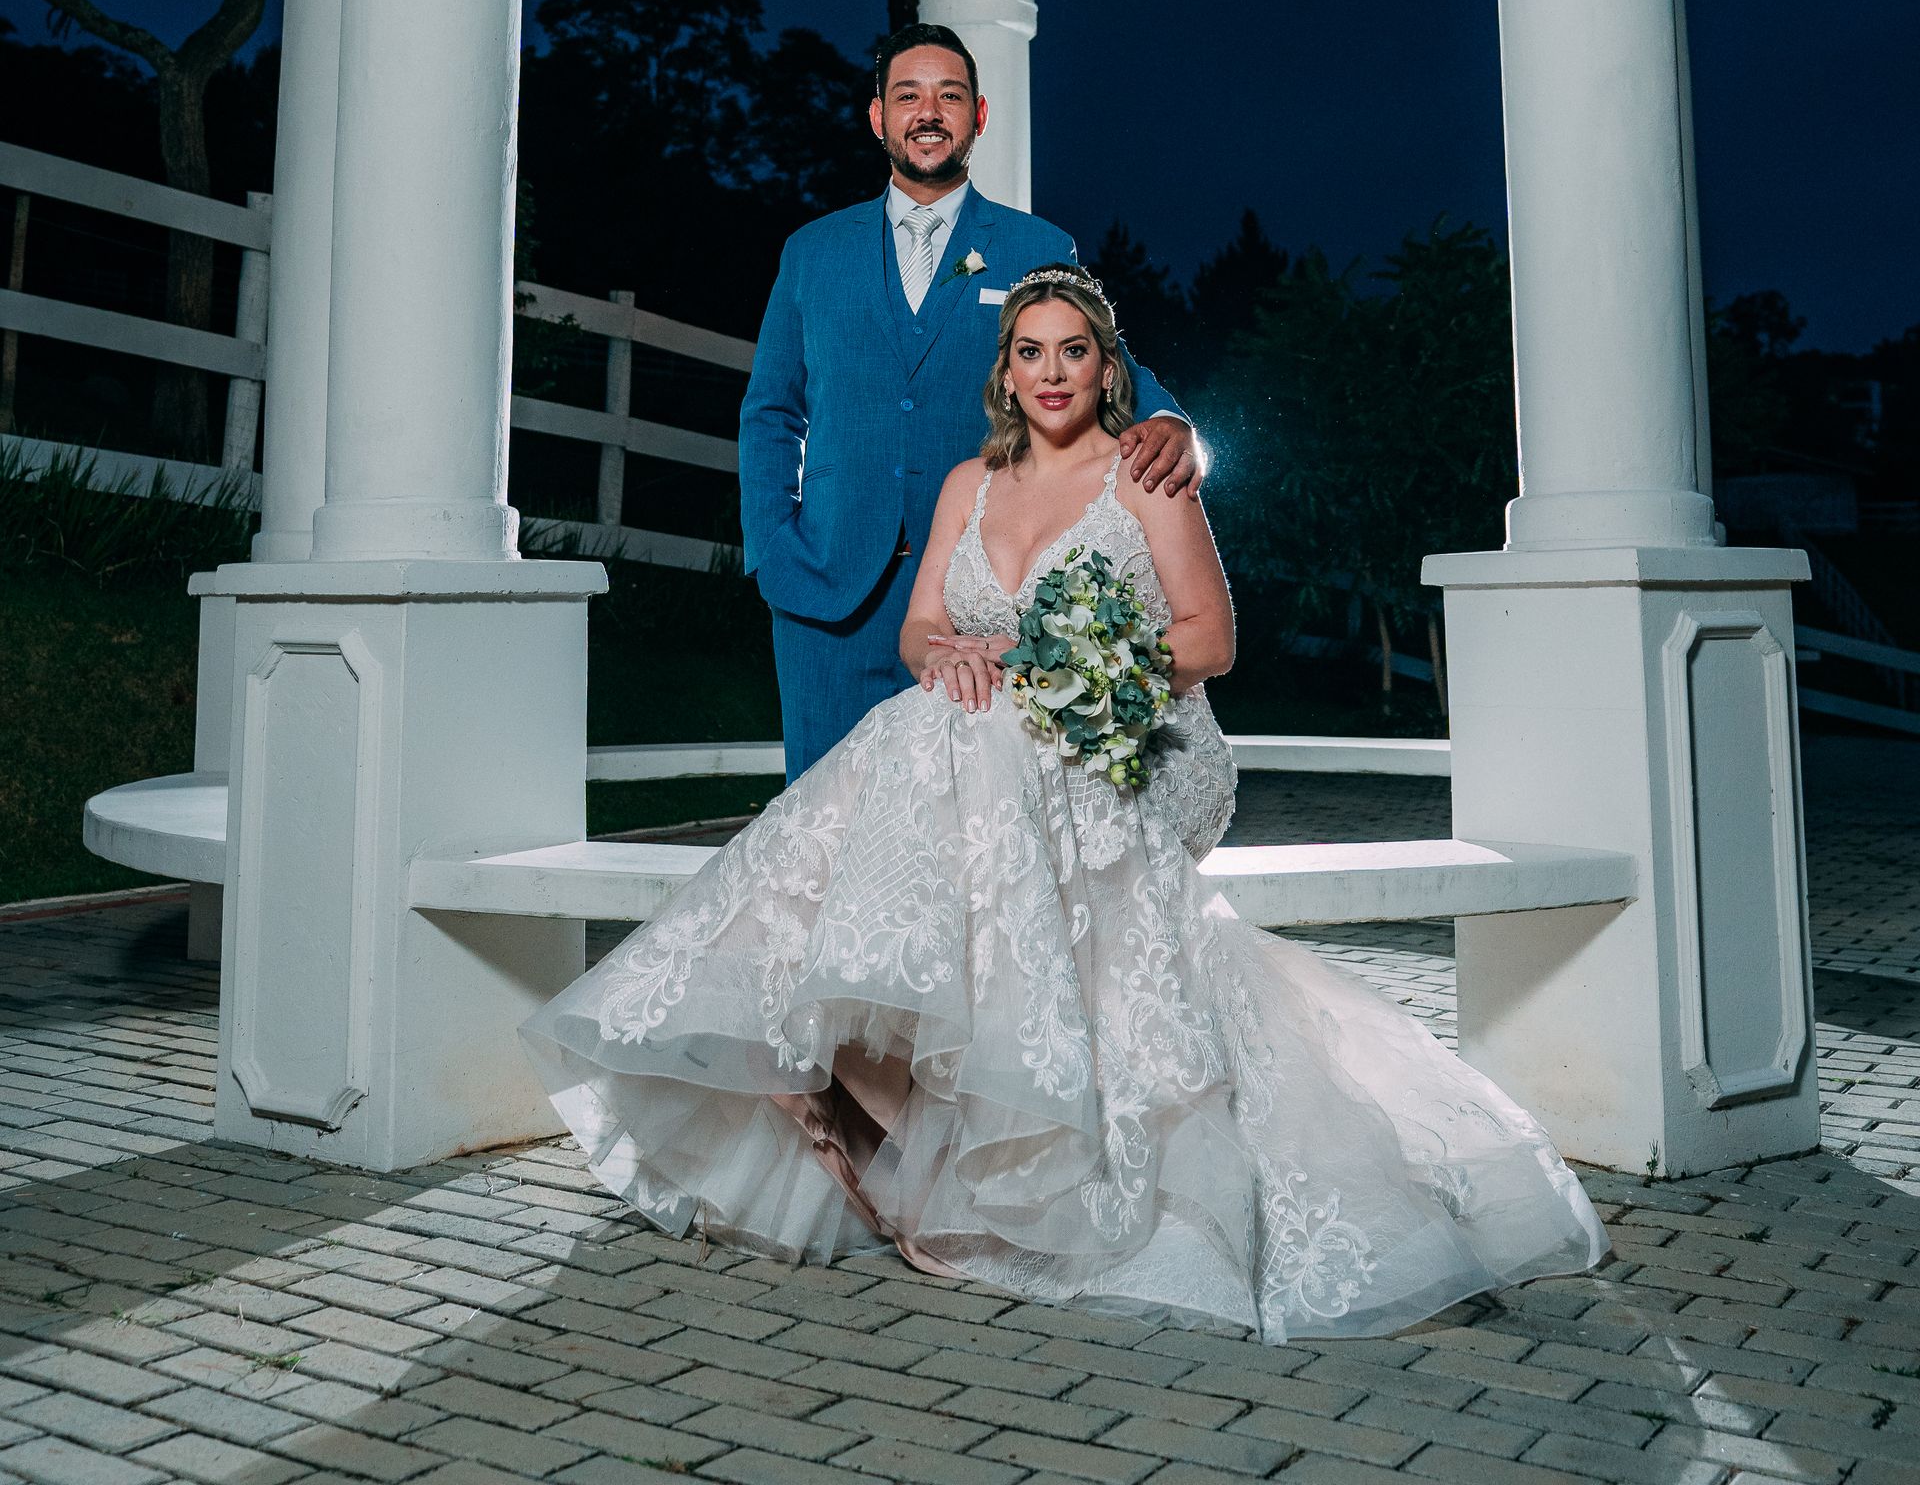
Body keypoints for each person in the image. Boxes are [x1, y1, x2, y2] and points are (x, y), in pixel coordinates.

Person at [524, 266, 1604, 1341]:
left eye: (1073, 352)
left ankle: (869, 1083)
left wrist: (1072, 666)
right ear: (1005, 372)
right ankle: (855, 1059)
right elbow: (917, 629)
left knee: (974, 729)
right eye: (1030, 352)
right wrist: (948, 654)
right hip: (994, 736)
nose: (1051, 373)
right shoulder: (967, 484)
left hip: (1145, 740)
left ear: (1107, 367)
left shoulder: (1146, 478)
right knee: (935, 718)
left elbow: (1209, 641)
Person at [738, 22, 1199, 777]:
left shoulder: (1032, 244)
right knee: (819, 829)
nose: (929, 112)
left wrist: (1170, 420)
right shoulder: (811, 251)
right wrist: (774, 550)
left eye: (949, 96)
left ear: (978, 116)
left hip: (976, 598)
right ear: (877, 115)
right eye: (908, 95)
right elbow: (771, 413)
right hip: (824, 590)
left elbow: (1097, 358)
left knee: (959, 835)